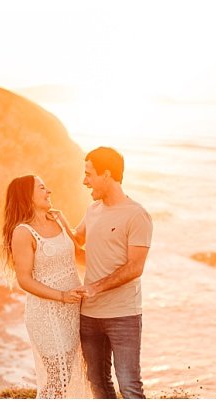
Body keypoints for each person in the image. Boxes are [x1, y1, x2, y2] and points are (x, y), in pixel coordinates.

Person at [61, 147, 153, 399]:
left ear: (108, 174)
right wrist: (53, 221)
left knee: (129, 385)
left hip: (123, 315)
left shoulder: (137, 215)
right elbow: (75, 243)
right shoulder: (93, 211)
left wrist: (94, 287)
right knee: (98, 383)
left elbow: (136, 267)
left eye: (89, 174)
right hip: (89, 315)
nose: (84, 181)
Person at [0, 174, 90, 398]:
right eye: (42, 188)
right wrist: (61, 295)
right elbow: (25, 279)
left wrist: (119, 261)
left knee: (66, 375)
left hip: (71, 310)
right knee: (57, 379)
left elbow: (79, 255)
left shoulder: (57, 220)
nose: (48, 191)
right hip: (46, 314)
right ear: (27, 196)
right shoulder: (22, 232)